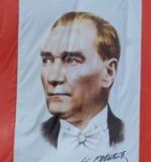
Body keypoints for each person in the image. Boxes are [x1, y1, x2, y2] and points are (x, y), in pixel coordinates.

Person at [40, 11, 124, 151]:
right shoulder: (32, 139)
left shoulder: (132, 137)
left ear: (108, 73)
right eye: (47, 60)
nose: (53, 78)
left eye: (72, 60)